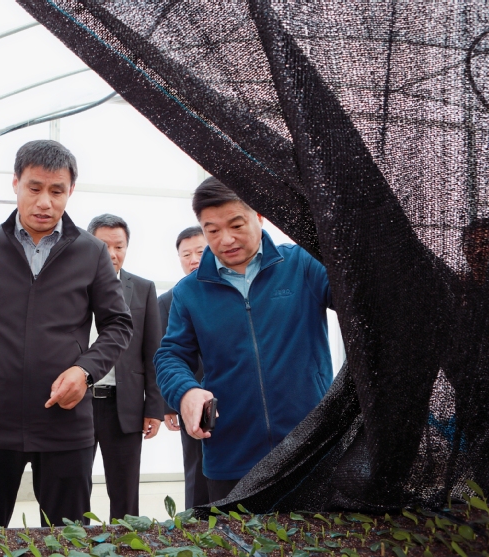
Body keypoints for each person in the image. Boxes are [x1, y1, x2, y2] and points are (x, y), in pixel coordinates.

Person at [0, 140, 133, 529]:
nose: (45, 202)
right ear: (15, 183)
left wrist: (84, 371)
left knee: (68, 537)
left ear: (71, 191)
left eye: (57, 191)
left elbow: (119, 324)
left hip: (64, 421)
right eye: (34, 188)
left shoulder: (92, 252)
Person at [155, 177, 333, 502]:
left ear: (260, 216)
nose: (226, 240)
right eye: (212, 230)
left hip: (309, 448)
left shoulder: (302, 265)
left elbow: (360, 300)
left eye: (236, 225)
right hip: (231, 456)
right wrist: (186, 391)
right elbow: (170, 356)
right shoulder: (189, 292)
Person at [87, 213, 162, 520]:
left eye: (119, 246)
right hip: (77, 402)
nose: (112, 254)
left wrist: (154, 408)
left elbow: (153, 351)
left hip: (124, 403)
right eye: (103, 246)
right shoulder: (70, 286)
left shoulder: (142, 288)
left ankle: (125, 541)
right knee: (73, 485)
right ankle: (74, 541)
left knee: (125, 489)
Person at [158, 226, 209, 509]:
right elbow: (165, 353)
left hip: (232, 391)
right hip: (190, 396)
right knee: (195, 464)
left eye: (200, 252)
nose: (193, 259)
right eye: (186, 254)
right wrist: (170, 402)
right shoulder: (169, 300)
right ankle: (196, 521)